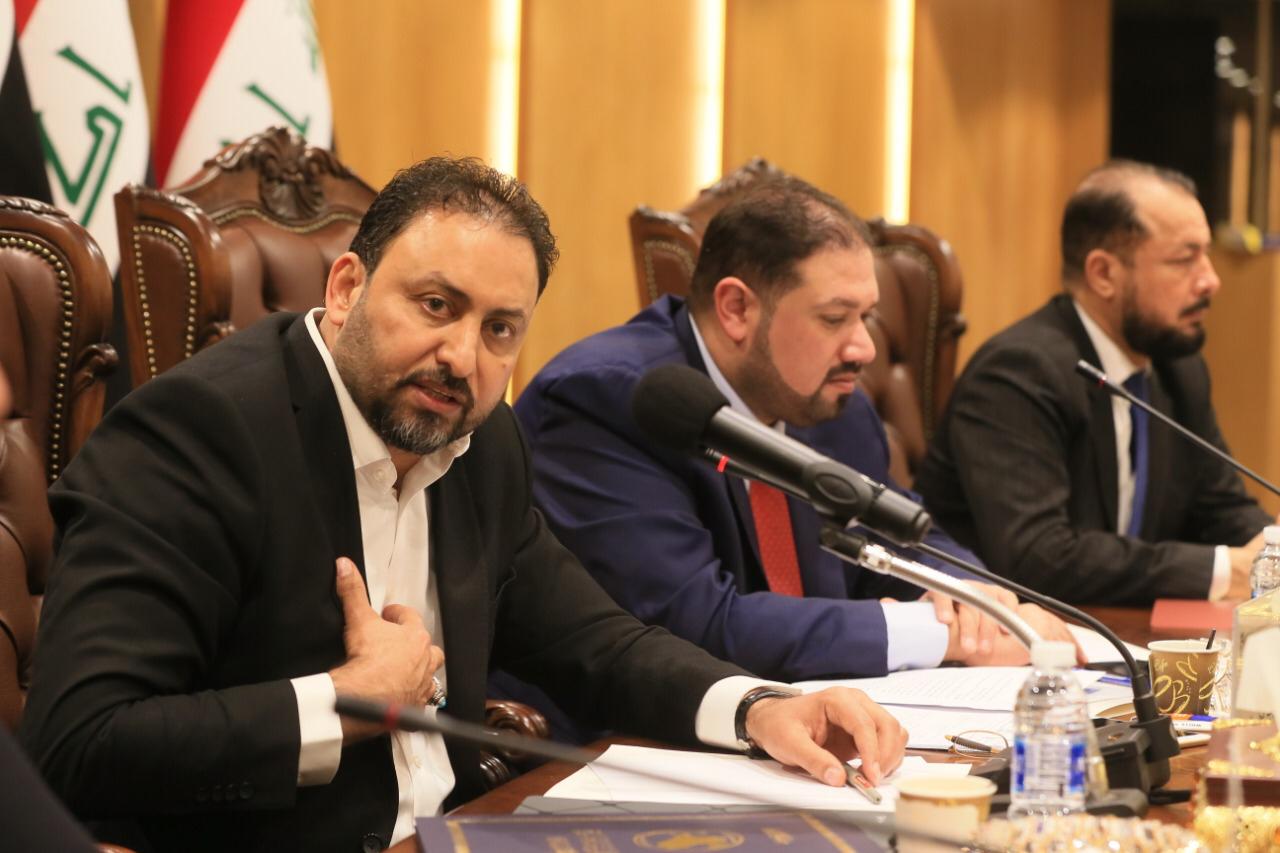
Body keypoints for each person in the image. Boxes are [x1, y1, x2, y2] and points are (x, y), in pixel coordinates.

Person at [19, 158, 908, 853]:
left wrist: (757, 709)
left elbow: (596, 643)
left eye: (499, 329)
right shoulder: (201, 434)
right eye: (435, 305)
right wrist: (345, 699)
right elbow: (78, 740)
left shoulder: (481, 439)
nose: (461, 355)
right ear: (346, 289)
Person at [511, 175, 1076, 687]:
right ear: (737, 308)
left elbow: (906, 537)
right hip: (623, 738)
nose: (865, 349)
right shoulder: (610, 402)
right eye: (834, 318)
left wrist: (974, 598)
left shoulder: (832, 406)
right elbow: (692, 622)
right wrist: (937, 634)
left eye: (867, 317)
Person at [916, 160, 1272, 605]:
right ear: (1103, 274)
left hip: (1117, 628)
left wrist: (1271, 553)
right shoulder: (1018, 372)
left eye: (1206, 254)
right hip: (1007, 634)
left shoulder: (1178, 368)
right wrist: (1219, 571)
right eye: (1184, 259)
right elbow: (1039, 557)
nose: (1210, 280)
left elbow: (1221, 508)